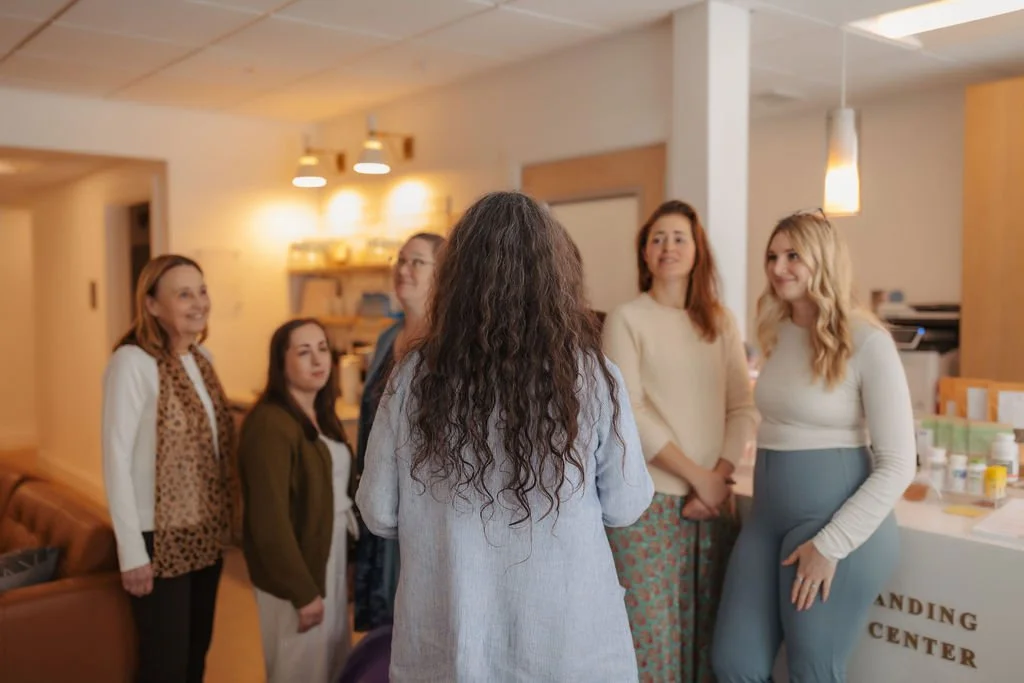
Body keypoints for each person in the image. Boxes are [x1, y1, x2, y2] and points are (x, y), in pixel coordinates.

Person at [355, 191, 655, 682]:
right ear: (554, 276)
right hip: (567, 647)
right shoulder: (592, 377)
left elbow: (378, 512)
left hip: (453, 644)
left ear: (455, 276)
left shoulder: (413, 378)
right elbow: (627, 505)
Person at [712, 210, 916, 682]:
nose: (778, 267)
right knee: (733, 664)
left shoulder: (868, 341)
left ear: (822, 260)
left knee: (812, 672)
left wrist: (831, 545)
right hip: (765, 525)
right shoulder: (776, 332)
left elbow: (899, 464)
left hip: (835, 531)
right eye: (772, 256)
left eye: (793, 256)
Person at [602, 200, 758, 681]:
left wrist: (719, 476)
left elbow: (742, 407)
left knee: (712, 636)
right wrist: (700, 479)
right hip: (647, 505)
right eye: (657, 239)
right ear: (644, 255)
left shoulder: (721, 322)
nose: (667, 247)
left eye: (678, 237)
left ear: (697, 251)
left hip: (711, 506)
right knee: (650, 641)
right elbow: (630, 410)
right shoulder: (626, 319)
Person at [101, 254, 236, 683]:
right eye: (183, 294)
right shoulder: (132, 363)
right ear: (152, 305)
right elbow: (116, 458)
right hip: (156, 538)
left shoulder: (203, 358)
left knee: (196, 655)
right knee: (165, 665)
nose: (198, 302)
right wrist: (132, 553)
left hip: (205, 533)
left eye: (201, 290)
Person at [238, 318, 357, 683]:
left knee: (331, 663)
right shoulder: (270, 424)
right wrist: (302, 592)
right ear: (281, 362)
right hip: (296, 572)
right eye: (304, 352)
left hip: (328, 556)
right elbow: (267, 521)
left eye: (323, 349)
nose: (318, 360)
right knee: (298, 670)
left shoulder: (322, 415)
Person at [351, 231, 445, 633]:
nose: (403, 270)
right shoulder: (387, 338)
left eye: (417, 262)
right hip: (378, 492)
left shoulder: (444, 342)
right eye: (401, 260)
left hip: (420, 503)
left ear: (441, 274)